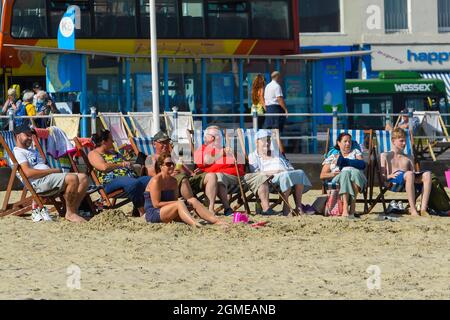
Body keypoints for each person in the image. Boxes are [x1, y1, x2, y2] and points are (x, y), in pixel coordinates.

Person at [13, 123, 88, 222]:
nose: (30, 138)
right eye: (27, 135)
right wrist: (52, 170)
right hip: (38, 183)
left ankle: (72, 210)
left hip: (48, 179)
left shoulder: (32, 151)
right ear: (18, 136)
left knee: (83, 178)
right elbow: (28, 173)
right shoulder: (18, 152)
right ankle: (70, 214)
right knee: (72, 178)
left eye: (30, 135)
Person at [194, 126, 269, 216]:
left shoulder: (227, 148)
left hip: (240, 176)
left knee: (261, 177)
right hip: (223, 177)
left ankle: (266, 208)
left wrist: (235, 154)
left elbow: (241, 162)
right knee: (218, 177)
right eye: (215, 135)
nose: (219, 137)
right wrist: (221, 153)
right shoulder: (202, 150)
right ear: (207, 138)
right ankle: (227, 208)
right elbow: (207, 161)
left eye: (219, 135)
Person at [144, 152, 227, 227]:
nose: (172, 166)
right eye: (168, 164)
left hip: (168, 211)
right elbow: (156, 204)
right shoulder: (156, 180)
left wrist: (184, 203)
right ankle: (194, 224)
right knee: (179, 203)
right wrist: (178, 202)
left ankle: (216, 221)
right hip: (154, 212)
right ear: (161, 166)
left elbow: (174, 200)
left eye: (173, 164)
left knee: (192, 200)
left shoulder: (173, 181)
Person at [146, 131, 220, 214]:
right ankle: (195, 207)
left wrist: (193, 173)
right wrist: (169, 175)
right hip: (171, 184)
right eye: (162, 143)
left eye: (167, 142)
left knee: (211, 176)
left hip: (186, 180)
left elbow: (187, 172)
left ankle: (210, 208)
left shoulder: (173, 156)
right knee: (183, 178)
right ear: (154, 144)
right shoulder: (151, 158)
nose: (165, 145)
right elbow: (152, 176)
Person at [249, 130, 313, 215]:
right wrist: (276, 171)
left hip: (286, 174)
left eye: (268, 140)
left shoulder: (275, 152)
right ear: (257, 142)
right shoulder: (253, 156)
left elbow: (287, 164)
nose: (267, 143)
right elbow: (256, 174)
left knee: (299, 172)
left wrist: (290, 170)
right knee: (285, 175)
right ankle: (286, 207)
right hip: (271, 179)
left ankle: (298, 207)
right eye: (263, 141)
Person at [88, 130, 151, 217]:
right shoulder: (94, 154)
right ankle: (142, 212)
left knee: (152, 180)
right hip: (109, 184)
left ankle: (153, 208)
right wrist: (121, 164)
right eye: (111, 139)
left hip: (130, 179)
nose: (113, 141)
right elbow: (104, 167)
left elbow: (127, 164)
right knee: (132, 183)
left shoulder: (114, 152)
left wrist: (132, 166)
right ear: (104, 142)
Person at [380, 128, 432, 217]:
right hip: (393, 182)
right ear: (393, 141)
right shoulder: (385, 156)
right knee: (409, 174)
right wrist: (389, 176)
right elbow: (382, 176)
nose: (404, 143)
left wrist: (416, 176)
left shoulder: (409, 157)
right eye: (401, 141)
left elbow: (414, 173)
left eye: (405, 141)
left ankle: (423, 209)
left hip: (409, 180)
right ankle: (412, 209)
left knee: (427, 174)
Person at [320, 132, 367, 217]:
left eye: (349, 142)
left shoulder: (356, 152)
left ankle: (352, 207)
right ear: (339, 143)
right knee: (345, 173)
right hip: (338, 178)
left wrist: (344, 162)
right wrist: (333, 174)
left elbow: (362, 165)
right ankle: (347, 207)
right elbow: (322, 175)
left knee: (354, 172)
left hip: (357, 177)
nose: (348, 143)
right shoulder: (333, 156)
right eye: (345, 141)